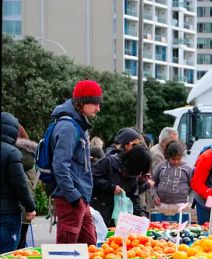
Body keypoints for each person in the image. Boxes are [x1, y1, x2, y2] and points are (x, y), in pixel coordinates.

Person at [50, 80, 102, 245]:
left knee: (90, 247)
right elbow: (60, 166)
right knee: (66, 253)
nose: (98, 108)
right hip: (70, 198)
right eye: (95, 103)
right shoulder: (68, 127)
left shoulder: (77, 125)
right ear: (82, 102)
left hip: (79, 198)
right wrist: (73, 197)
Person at [0, 112, 36, 253]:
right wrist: (30, 207)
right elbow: (20, 184)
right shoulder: (12, 153)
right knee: (6, 257)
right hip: (8, 213)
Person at [91, 145, 152, 227]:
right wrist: (111, 187)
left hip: (117, 220)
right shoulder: (108, 162)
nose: (139, 174)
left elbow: (134, 198)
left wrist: (142, 214)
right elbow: (91, 179)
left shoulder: (134, 176)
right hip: (98, 214)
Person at [15, 125, 38, 249]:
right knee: (20, 245)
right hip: (25, 207)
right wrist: (30, 206)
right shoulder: (30, 157)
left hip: (11, 208)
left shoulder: (11, 154)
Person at [151, 140, 193, 208]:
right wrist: (154, 195)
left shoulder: (187, 169)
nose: (176, 162)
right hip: (161, 204)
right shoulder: (161, 166)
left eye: (178, 159)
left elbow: (193, 187)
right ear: (168, 157)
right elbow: (153, 183)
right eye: (173, 159)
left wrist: (190, 202)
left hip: (180, 205)